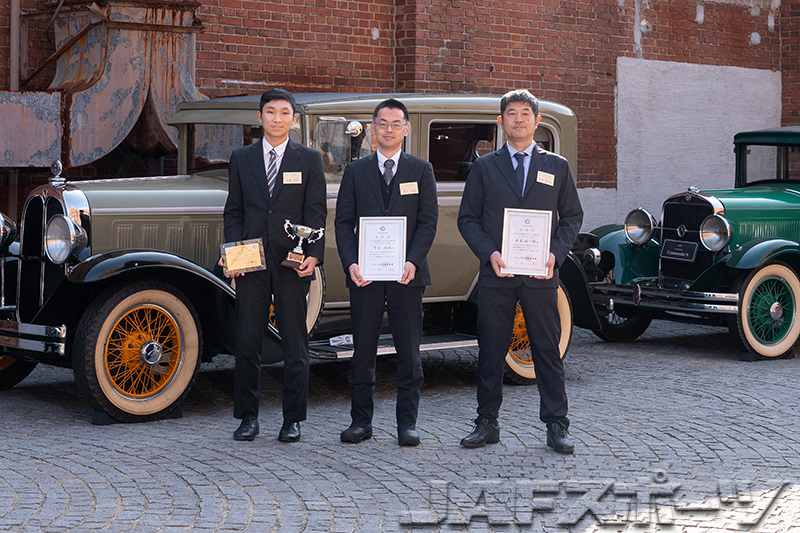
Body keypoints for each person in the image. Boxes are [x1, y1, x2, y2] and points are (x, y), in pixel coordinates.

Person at [457, 89, 583, 453]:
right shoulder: (484, 167)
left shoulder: (557, 166)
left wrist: (554, 255)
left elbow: (572, 217)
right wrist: (490, 253)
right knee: (491, 349)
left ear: (537, 121)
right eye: (511, 113)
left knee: (546, 350)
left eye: (525, 113)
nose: (518, 119)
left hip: (541, 275)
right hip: (497, 274)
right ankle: (486, 423)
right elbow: (467, 219)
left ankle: (557, 425)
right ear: (501, 121)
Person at [222, 88, 327, 442]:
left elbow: (315, 212)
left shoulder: (309, 160)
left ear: (293, 120)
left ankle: (292, 419)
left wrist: (314, 254)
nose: (277, 118)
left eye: (284, 113)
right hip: (250, 261)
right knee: (247, 341)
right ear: (259, 117)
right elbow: (234, 211)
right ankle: (247, 417)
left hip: (291, 263)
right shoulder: (241, 158)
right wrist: (232, 252)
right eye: (270, 112)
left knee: (295, 343)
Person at [334, 98, 438, 447]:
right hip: (365, 276)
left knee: (409, 352)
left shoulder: (421, 170)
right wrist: (351, 263)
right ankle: (360, 422)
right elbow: (343, 223)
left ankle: (407, 424)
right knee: (363, 351)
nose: (388, 129)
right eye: (382, 123)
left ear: (406, 129)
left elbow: (428, 221)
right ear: (372, 129)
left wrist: (413, 261)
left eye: (396, 124)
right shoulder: (355, 172)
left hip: (407, 276)